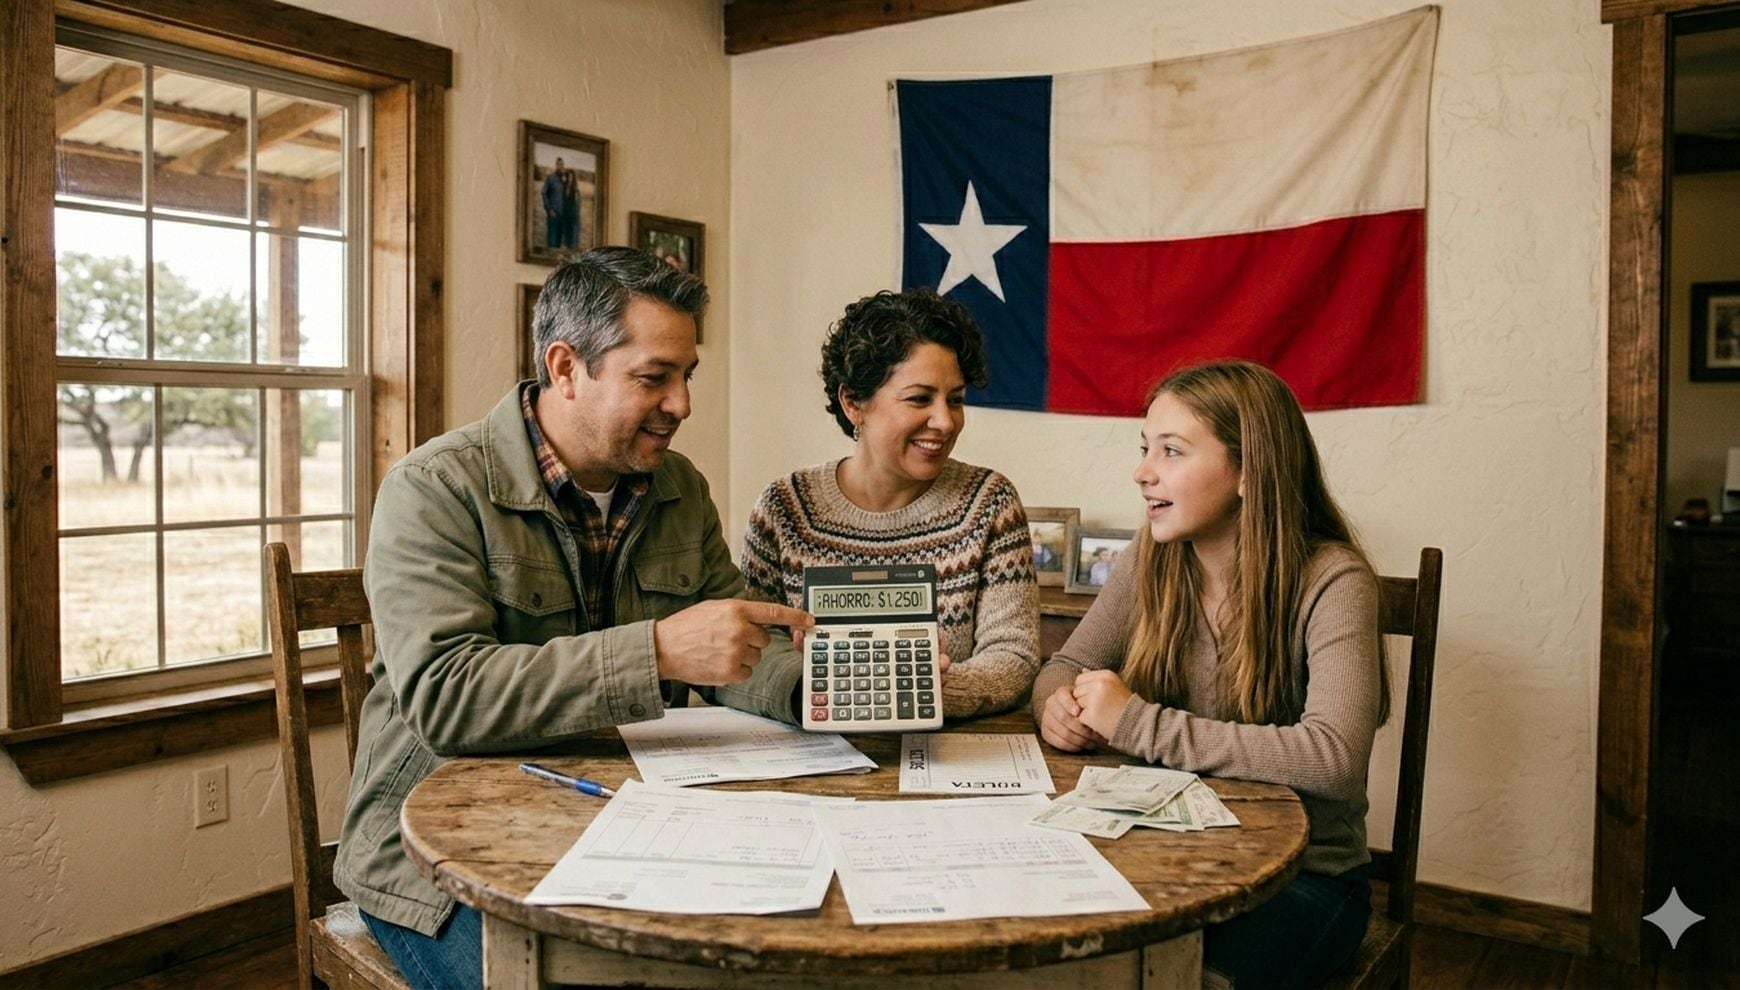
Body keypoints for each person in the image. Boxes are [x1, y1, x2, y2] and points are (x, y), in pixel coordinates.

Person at [337, 247, 811, 988]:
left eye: (687, 376)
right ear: (565, 367)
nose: (682, 404)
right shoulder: (433, 489)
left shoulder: (677, 483)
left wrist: (813, 687)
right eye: (654, 378)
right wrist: (655, 651)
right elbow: (447, 697)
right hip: (435, 859)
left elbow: (734, 646)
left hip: (614, 822)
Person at [1033, 360, 1385, 989]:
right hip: (1166, 853)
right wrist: (1054, 705)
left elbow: (1333, 757)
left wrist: (1135, 721)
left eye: (1172, 451)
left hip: (1307, 878)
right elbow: (1063, 665)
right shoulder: (1152, 556)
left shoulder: (1334, 580)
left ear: (1249, 470)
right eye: (1146, 449)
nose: (1143, 471)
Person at [740, 288, 1040, 718]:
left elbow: (1014, 656)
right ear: (853, 403)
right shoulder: (784, 511)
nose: (944, 421)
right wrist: (832, 688)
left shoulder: (988, 503)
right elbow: (754, 654)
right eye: (920, 398)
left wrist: (924, 691)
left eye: (955, 399)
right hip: (813, 752)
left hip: (950, 758)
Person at [539, 157, 569, 250]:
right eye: (559, 164)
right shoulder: (550, 178)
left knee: (559, 241)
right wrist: (549, 209)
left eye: (562, 164)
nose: (561, 166)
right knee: (552, 240)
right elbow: (544, 193)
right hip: (553, 213)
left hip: (563, 214)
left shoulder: (565, 179)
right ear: (556, 165)